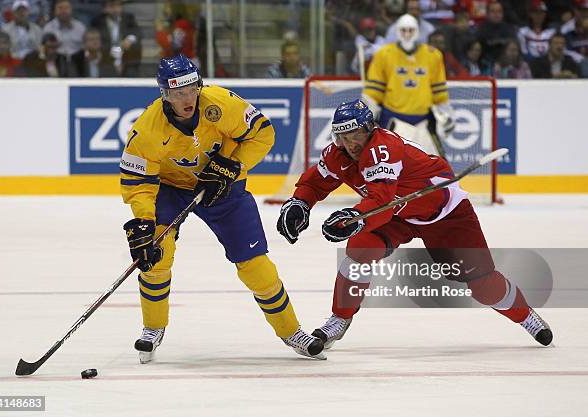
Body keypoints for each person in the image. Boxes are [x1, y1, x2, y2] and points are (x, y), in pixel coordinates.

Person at [276, 99, 553, 350]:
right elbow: (315, 182)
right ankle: (339, 319)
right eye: (344, 137)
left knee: (483, 285)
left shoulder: (382, 150)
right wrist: (300, 202)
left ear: (371, 129)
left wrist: (354, 218)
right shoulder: (338, 155)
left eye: (356, 135)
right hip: (396, 214)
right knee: (360, 250)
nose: (351, 144)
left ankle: (525, 315)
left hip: (444, 213)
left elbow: (380, 201)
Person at [120, 55, 325, 363]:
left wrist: (232, 165)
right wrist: (144, 223)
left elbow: (263, 133)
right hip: (172, 190)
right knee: (156, 255)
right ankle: (153, 327)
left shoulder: (221, 103)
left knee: (256, 265)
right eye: (178, 93)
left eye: (192, 89)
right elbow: (139, 183)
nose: (188, 98)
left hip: (224, 188)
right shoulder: (147, 129)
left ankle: (291, 331)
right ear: (165, 95)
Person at [362, 13, 454, 158]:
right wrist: (367, 118)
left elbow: (439, 92)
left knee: (436, 166)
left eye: (410, 30)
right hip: (392, 119)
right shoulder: (383, 54)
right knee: (385, 163)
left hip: (424, 120)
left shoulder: (433, 55)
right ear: (397, 31)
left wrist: (447, 114)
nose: (407, 34)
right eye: (403, 30)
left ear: (417, 31)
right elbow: (373, 92)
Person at [90, 0, 142, 77]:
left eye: (118, 6)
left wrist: (130, 39)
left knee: (135, 51)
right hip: (106, 57)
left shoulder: (128, 18)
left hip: (125, 57)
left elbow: (138, 32)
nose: (115, 9)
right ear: (105, 8)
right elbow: (95, 39)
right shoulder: (98, 21)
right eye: (112, 6)